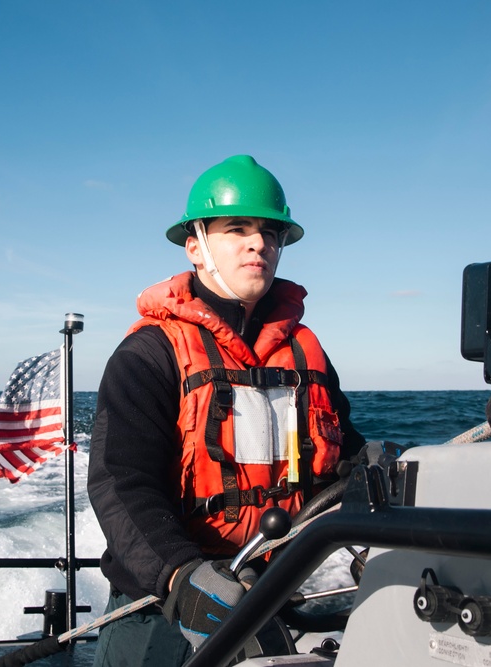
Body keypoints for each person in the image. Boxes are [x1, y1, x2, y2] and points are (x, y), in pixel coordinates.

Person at [87, 154, 366, 666]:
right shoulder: (150, 353)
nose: (259, 243)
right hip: (161, 609)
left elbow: (344, 463)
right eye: (237, 228)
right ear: (195, 246)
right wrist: (179, 576)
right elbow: (119, 482)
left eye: (270, 232)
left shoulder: (307, 353)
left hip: (273, 598)